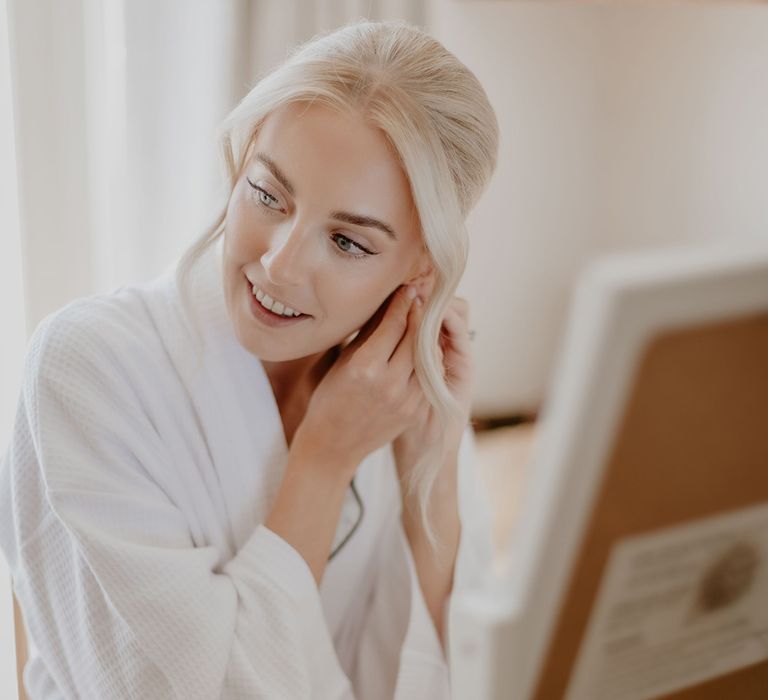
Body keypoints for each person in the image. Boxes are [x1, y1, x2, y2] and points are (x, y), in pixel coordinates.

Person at [0, 18, 499, 700]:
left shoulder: (401, 392)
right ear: (241, 162)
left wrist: (433, 471)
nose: (279, 263)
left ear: (422, 270)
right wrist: (321, 463)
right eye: (268, 195)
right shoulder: (85, 370)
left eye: (349, 242)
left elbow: (468, 680)